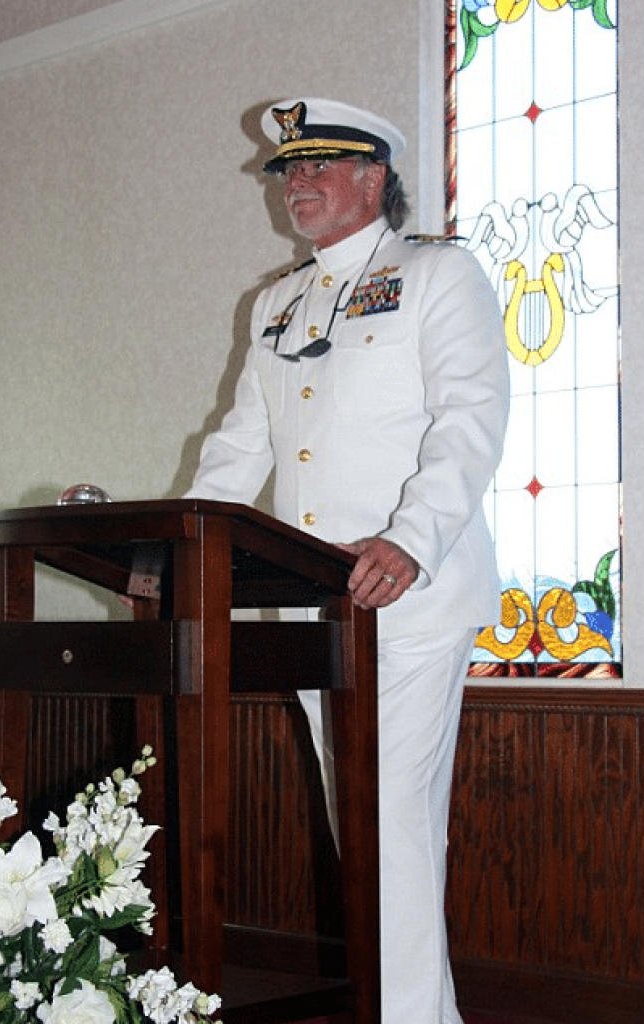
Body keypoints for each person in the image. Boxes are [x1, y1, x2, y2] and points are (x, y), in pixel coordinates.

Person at [186, 97, 509, 1024]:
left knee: (391, 830)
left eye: (317, 167)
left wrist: (411, 537)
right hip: (315, 611)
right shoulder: (278, 302)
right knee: (361, 829)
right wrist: (188, 542)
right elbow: (243, 440)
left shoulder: (438, 276)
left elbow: (471, 417)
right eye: (288, 171)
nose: (298, 184)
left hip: (407, 596)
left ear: (373, 178)